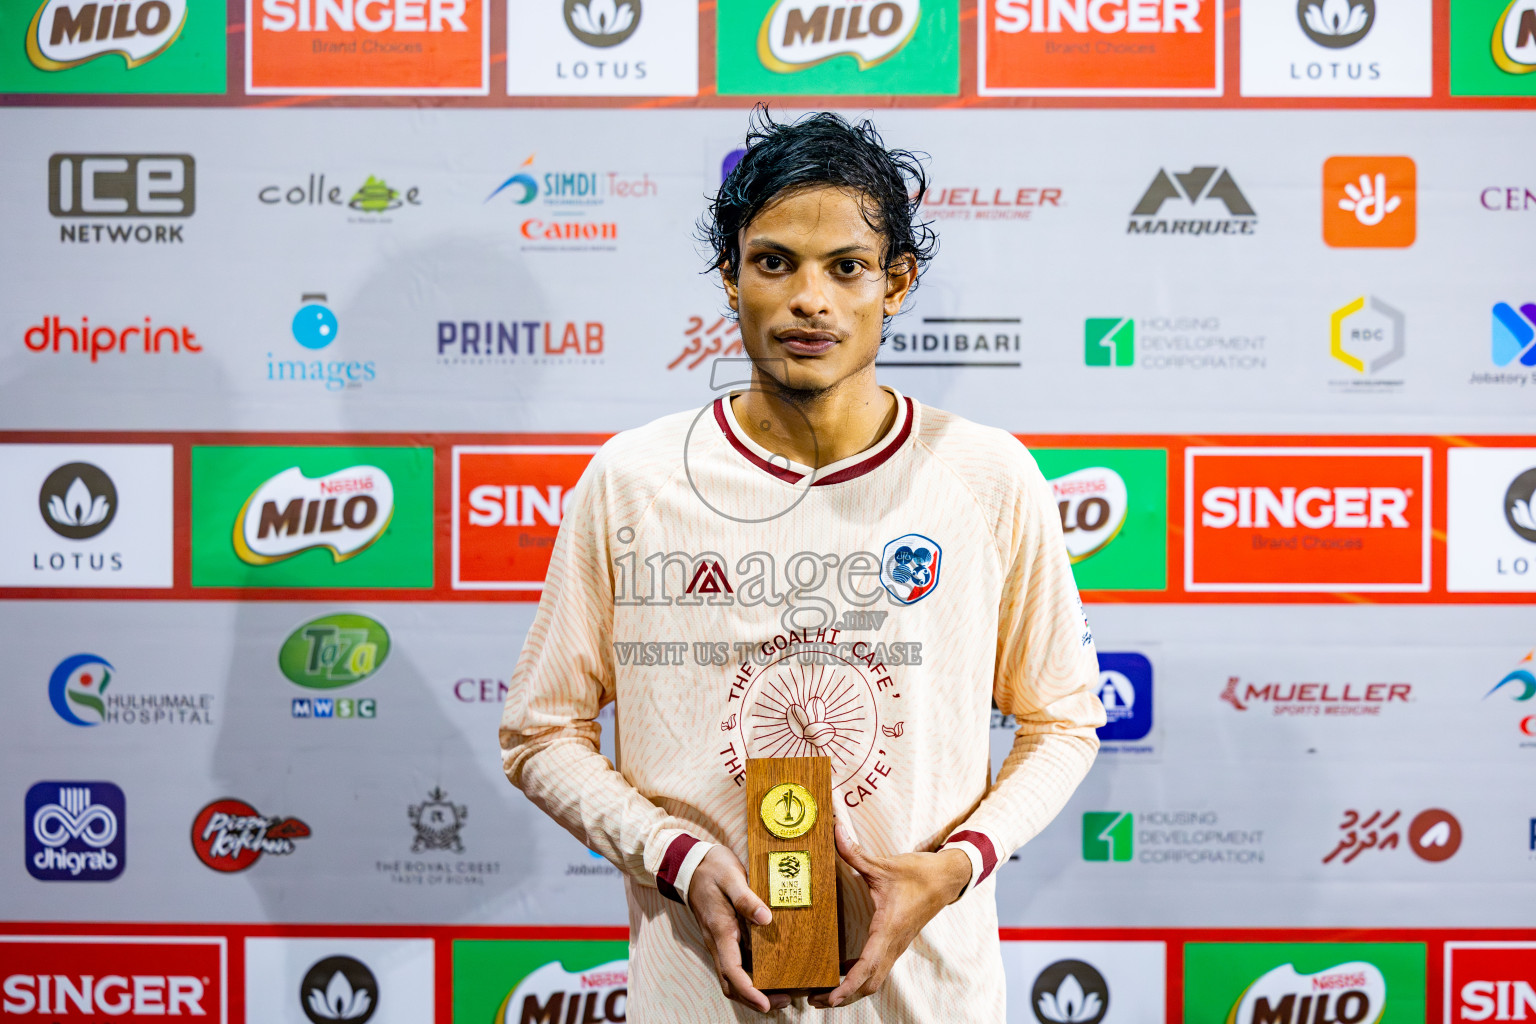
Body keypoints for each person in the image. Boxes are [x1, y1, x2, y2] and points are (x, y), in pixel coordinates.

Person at [501, 108, 1105, 1022]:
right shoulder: (634, 481)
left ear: (896, 283)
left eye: (847, 267)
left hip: (929, 999)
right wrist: (676, 856)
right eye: (774, 261)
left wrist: (956, 865)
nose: (809, 299)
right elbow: (540, 732)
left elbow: (1062, 722)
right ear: (730, 277)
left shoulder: (987, 477)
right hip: (701, 999)